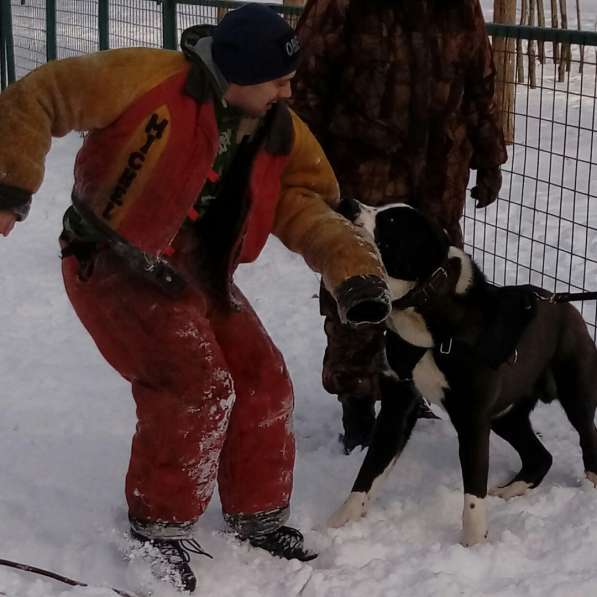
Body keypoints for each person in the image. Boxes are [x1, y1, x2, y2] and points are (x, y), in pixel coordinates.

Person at [0, 4, 393, 592]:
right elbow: (41, 95)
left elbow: (309, 205)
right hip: (108, 257)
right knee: (194, 387)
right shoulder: (146, 79)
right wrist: (9, 186)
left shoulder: (279, 129)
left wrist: (354, 272)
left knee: (264, 378)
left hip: (195, 269)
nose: (290, 89)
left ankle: (258, 517)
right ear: (239, 71)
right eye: (278, 78)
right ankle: (156, 532)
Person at [291, 0, 508, 454]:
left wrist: (489, 156)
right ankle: (356, 404)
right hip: (364, 176)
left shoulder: (458, 7)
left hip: (438, 180)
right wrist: (305, 170)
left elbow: (479, 84)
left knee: (432, 287)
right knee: (355, 285)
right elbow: (306, 88)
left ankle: (412, 385)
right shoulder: (341, 6)